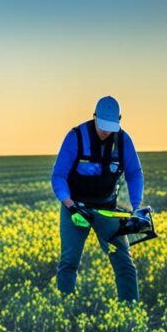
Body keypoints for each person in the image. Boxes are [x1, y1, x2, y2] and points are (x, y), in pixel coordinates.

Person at [51, 96, 144, 301]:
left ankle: (130, 311)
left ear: (119, 120)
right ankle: (64, 308)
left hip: (106, 208)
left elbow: (135, 174)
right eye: (102, 126)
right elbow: (58, 176)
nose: (106, 132)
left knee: (124, 262)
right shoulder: (76, 137)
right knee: (69, 261)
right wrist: (71, 205)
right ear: (94, 117)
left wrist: (135, 208)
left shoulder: (123, 140)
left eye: (111, 127)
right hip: (76, 208)